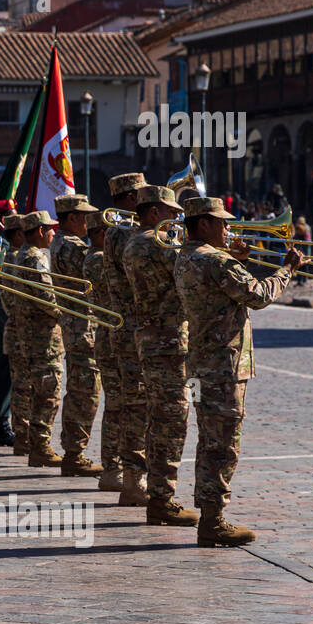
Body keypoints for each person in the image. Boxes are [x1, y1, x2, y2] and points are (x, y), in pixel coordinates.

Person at [173, 196, 302, 546]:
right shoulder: (216, 261)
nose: (229, 229)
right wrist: (288, 269)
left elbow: (219, 289)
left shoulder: (186, 256)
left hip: (199, 364)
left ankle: (209, 514)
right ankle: (213, 520)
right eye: (222, 223)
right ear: (203, 224)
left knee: (208, 440)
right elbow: (258, 295)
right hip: (223, 367)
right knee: (224, 444)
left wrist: (234, 258)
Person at [124, 185, 198, 526]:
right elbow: (193, 268)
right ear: (153, 213)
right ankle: (162, 498)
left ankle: (158, 493)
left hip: (154, 340)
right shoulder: (156, 243)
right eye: (171, 212)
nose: (177, 218)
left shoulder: (135, 243)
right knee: (171, 421)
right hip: (167, 342)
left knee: (159, 418)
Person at [101, 172, 149, 506]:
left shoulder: (119, 232)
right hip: (134, 332)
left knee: (127, 404)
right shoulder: (123, 234)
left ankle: (126, 475)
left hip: (127, 330)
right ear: (132, 199)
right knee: (136, 406)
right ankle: (132, 481)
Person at [50, 194, 103, 477]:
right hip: (82, 328)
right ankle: (74, 452)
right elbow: (98, 272)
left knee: (81, 390)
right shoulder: (71, 246)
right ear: (72, 218)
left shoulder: (62, 242)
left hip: (77, 324)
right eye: (84, 217)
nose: (88, 223)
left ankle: (74, 449)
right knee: (85, 392)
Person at [16, 210, 69, 470]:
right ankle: (40, 446)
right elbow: (46, 297)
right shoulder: (34, 258)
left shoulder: (20, 255)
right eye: (50, 229)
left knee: (39, 390)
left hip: (31, 334)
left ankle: (37, 443)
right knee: (48, 392)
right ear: (39, 231)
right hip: (44, 336)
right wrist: (66, 311)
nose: (53, 234)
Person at [82, 211, 122, 492]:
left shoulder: (101, 257)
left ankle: (115, 466)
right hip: (112, 339)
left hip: (111, 336)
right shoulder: (98, 259)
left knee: (119, 405)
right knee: (119, 407)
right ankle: (114, 466)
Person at [291, 217, 312, 287]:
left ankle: (305, 280)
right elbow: (294, 239)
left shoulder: (307, 229)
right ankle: (299, 281)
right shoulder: (297, 229)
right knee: (299, 267)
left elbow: (308, 241)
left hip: (305, 252)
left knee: (305, 267)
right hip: (299, 252)